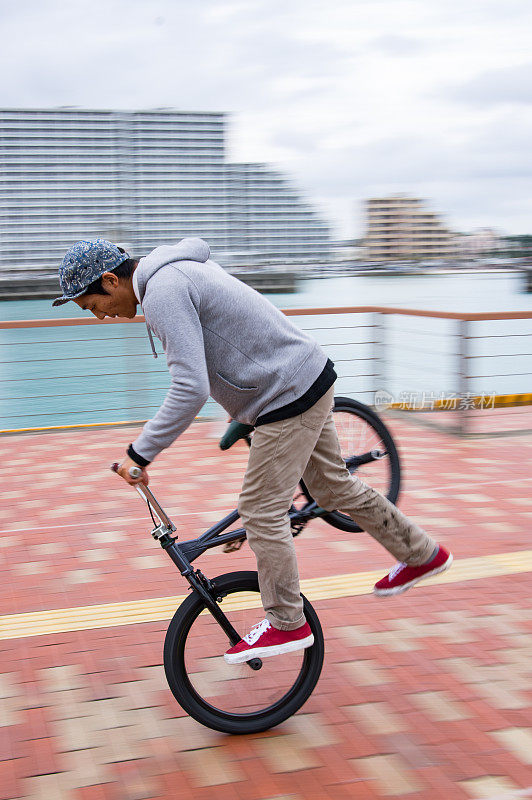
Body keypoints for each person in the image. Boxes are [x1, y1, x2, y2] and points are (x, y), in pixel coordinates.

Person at [53, 238, 453, 665]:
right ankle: (423, 553)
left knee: (261, 509)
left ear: (111, 280)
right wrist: (241, 413)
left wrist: (140, 453)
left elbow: (190, 388)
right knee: (333, 487)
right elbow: (236, 338)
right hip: (303, 377)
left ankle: (286, 622)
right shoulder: (173, 276)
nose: (98, 316)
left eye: (92, 304)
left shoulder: (165, 290)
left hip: (285, 395)